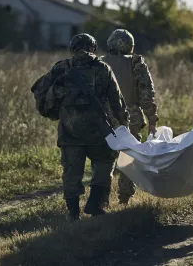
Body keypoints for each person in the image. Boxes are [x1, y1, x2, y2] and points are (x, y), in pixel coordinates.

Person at [32, 33, 129, 221]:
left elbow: (39, 90)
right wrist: (123, 124)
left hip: (69, 130)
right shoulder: (103, 68)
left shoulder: (61, 68)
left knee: (71, 171)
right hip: (98, 130)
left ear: (72, 49)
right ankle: (95, 203)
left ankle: (73, 213)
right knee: (104, 163)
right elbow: (117, 102)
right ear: (93, 48)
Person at [101, 29, 159, 205]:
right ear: (130, 45)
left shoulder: (100, 63)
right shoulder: (136, 63)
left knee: (104, 160)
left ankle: (101, 199)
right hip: (131, 118)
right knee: (129, 159)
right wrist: (152, 119)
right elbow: (146, 93)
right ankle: (124, 198)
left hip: (104, 119)